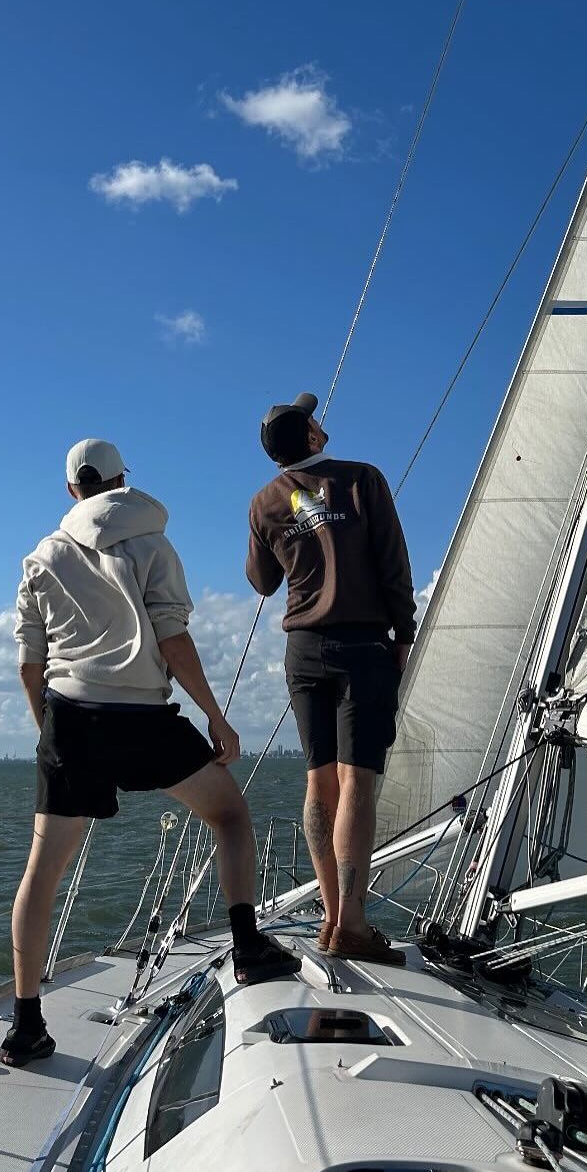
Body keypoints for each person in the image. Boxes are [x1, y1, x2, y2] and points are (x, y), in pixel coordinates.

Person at [5, 437, 299, 1067]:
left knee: (42, 872)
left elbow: (31, 666)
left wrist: (46, 732)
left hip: (70, 720)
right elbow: (172, 638)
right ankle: (247, 946)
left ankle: (27, 1025)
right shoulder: (153, 543)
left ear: (71, 490)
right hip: (143, 718)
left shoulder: (41, 558)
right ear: (121, 481)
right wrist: (216, 717)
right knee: (229, 814)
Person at [246, 394, 416, 966]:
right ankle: (353, 924)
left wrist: (290, 528)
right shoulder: (363, 479)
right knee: (357, 782)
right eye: (316, 421)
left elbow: (262, 582)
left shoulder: (266, 501)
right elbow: (393, 561)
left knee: (320, 782)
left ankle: (329, 916)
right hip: (363, 647)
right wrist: (405, 633)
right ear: (313, 437)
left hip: (304, 652)